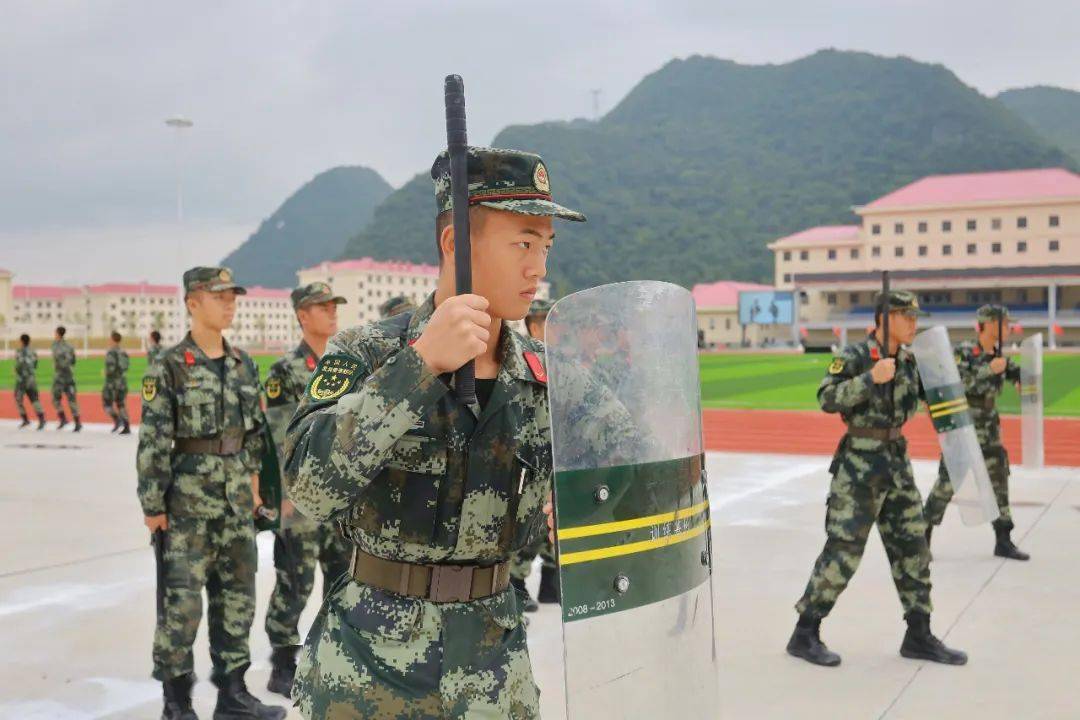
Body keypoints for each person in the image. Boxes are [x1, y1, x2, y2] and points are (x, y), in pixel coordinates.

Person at [284, 147, 585, 719]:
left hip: (493, 671)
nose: (538, 268)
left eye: (546, 247)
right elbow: (308, 487)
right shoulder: (370, 353)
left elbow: (623, 489)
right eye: (523, 243)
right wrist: (418, 368)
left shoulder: (549, 376)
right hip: (371, 669)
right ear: (456, 245)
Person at [787, 290, 967, 668]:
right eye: (908, 316)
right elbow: (827, 397)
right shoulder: (854, 357)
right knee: (844, 551)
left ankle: (919, 634)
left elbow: (939, 401)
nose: (915, 324)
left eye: (917, 318)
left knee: (913, 549)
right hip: (858, 469)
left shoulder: (909, 361)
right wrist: (870, 378)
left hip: (897, 464)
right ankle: (805, 633)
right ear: (885, 318)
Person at [137, 266, 286, 720]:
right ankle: (177, 703)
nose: (229, 303)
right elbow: (154, 440)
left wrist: (258, 494)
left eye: (231, 296)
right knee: (180, 609)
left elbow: (255, 437)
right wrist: (153, 507)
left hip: (237, 506)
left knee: (236, 603)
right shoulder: (167, 366)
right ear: (192, 302)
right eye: (218, 296)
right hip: (186, 510)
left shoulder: (243, 363)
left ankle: (233, 696)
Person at [262, 282, 352, 699]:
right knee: (295, 581)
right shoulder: (285, 370)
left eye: (334, 306)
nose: (332, 312)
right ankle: (282, 663)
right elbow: (279, 435)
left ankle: (332, 658)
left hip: (341, 494)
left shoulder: (346, 363)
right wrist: (285, 497)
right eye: (323, 306)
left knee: (342, 578)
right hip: (300, 497)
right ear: (303, 314)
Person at [923, 304, 1029, 560]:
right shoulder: (963, 352)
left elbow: (1020, 376)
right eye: (1003, 323)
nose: (1007, 327)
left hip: (990, 429)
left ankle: (1003, 539)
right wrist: (988, 370)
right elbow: (954, 384)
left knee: (998, 482)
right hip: (963, 427)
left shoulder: (999, 354)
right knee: (948, 484)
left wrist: (1022, 380)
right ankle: (921, 537)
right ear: (989, 324)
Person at [510, 298, 559, 611]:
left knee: (553, 520)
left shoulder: (557, 362)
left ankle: (552, 583)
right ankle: (515, 582)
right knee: (526, 523)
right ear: (535, 325)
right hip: (529, 463)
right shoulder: (520, 363)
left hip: (555, 458)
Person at [51, 325, 81, 431]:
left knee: (55, 399)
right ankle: (78, 423)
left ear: (58, 334)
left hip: (60, 376)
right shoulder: (70, 346)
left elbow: (57, 361)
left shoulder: (55, 346)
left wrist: (58, 366)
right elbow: (73, 361)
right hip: (69, 375)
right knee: (72, 400)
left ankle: (63, 419)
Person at [14, 334, 46, 430]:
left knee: (18, 399)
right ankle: (42, 419)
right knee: (34, 399)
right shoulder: (33, 351)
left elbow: (18, 365)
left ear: (22, 341)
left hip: (21, 380)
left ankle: (25, 419)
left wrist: (16, 370)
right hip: (31, 379)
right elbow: (35, 364)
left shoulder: (19, 351)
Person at [104, 331, 131, 434]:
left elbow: (111, 368)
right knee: (121, 404)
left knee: (107, 403)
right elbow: (126, 366)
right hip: (122, 381)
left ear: (112, 339)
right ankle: (126, 425)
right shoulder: (123, 352)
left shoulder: (111, 352)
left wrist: (106, 372)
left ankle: (117, 420)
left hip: (112, 382)